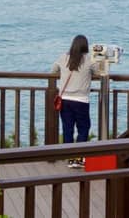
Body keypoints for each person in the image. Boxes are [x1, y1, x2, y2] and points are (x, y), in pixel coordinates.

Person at [51, 34, 103, 169]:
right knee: (83, 128)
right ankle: (78, 158)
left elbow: (53, 70)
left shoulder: (64, 57)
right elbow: (99, 72)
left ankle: (70, 158)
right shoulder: (89, 59)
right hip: (81, 100)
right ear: (86, 46)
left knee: (68, 129)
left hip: (65, 99)